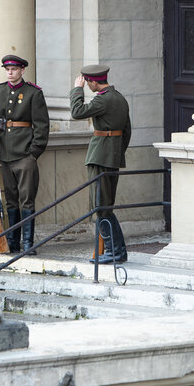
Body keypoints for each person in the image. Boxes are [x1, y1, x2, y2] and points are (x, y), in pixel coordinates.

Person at [0, 55, 49, 255]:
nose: (10, 72)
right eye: (7, 69)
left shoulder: (33, 93)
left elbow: (42, 126)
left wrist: (33, 153)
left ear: (22, 70)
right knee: (9, 199)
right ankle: (12, 241)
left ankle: (28, 242)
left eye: (14, 69)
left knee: (26, 199)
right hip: (3, 153)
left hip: (24, 154)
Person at [70, 65, 131, 264]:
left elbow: (77, 112)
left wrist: (76, 90)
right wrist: (115, 153)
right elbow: (127, 132)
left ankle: (114, 252)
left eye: (87, 82)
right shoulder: (120, 98)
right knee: (106, 207)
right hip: (111, 156)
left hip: (100, 157)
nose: (87, 85)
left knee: (100, 207)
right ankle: (118, 250)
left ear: (94, 81)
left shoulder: (103, 99)